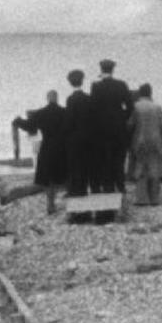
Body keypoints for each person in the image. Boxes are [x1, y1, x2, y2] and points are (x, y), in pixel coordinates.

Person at [12, 90, 66, 215]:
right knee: (65, 175)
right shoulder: (64, 112)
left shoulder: (41, 113)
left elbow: (30, 126)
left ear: (47, 99)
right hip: (62, 147)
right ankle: (71, 201)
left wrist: (18, 120)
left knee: (49, 178)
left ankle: (50, 204)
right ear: (57, 98)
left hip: (47, 147)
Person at [89, 58, 134, 194]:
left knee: (105, 158)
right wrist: (122, 116)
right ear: (113, 70)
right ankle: (121, 185)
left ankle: (108, 186)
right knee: (119, 159)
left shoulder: (96, 86)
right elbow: (130, 107)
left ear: (101, 70)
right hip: (119, 128)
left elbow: (93, 108)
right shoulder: (121, 85)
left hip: (102, 130)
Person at [128, 83, 162, 206]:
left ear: (140, 93)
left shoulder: (135, 107)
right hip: (156, 141)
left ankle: (142, 199)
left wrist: (129, 141)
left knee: (140, 168)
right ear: (150, 93)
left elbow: (130, 125)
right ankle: (154, 198)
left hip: (139, 141)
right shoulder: (158, 107)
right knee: (154, 167)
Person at [63, 69, 97, 221]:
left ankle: (79, 213)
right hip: (89, 141)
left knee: (76, 177)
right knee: (89, 175)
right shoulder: (88, 99)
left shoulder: (71, 100)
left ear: (70, 83)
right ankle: (92, 208)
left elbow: (69, 123)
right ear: (82, 81)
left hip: (75, 142)